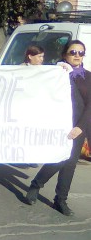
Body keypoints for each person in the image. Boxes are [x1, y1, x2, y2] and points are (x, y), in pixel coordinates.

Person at [24, 40, 91, 216]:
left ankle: (60, 200)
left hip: (78, 127)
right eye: (73, 52)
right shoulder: (56, 73)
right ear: (65, 55)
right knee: (58, 159)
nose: (77, 55)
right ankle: (36, 185)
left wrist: (80, 127)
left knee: (70, 164)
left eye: (80, 52)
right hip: (57, 124)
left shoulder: (89, 77)